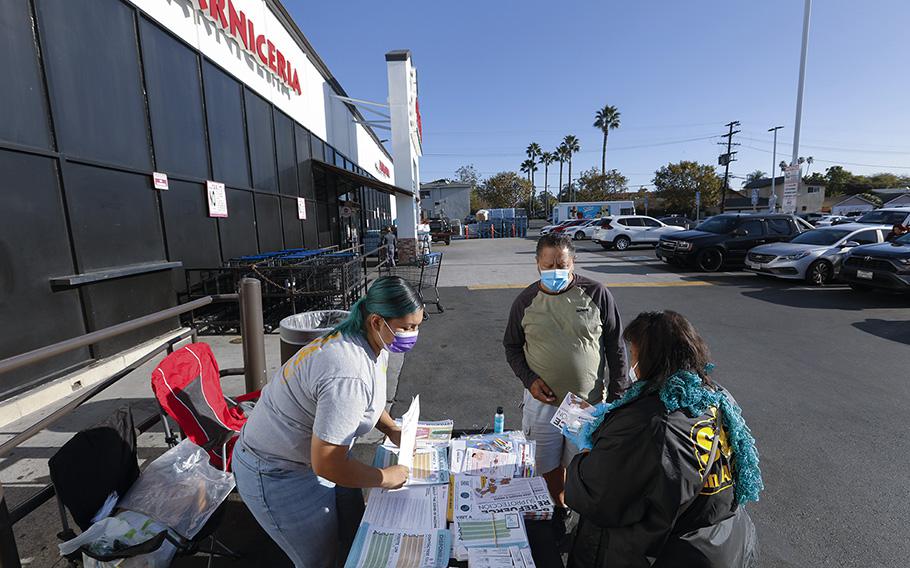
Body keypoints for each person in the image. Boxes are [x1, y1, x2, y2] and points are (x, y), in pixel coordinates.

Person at [232, 276, 423, 567]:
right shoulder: (347, 371)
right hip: (278, 471)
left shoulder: (370, 342)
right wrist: (385, 478)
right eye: (407, 327)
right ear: (376, 322)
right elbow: (328, 464)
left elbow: (368, 403)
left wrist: (391, 428)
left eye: (418, 325)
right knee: (319, 560)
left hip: (314, 456)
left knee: (351, 532)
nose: (413, 333)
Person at [563, 311, 762, 567]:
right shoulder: (715, 396)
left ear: (652, 359)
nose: (632, 364)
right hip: (720, 540)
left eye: (634, 354)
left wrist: (586, 457)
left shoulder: (649, 421)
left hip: (670, 553)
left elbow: (601, 494)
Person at [503, 233, 627, 514]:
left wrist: (617, 399)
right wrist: (529, 380)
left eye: (562, 265)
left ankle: (578, 508)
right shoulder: (525, 301)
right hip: (542, 405)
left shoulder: (597, 293)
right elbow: (512, 347)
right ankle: (558, 509)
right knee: (545, 464)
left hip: (588, 405)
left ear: (573, 263)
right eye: (548, 266)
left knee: (583, 465)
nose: (555, 272)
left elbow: (616, 346)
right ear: (537, 264)